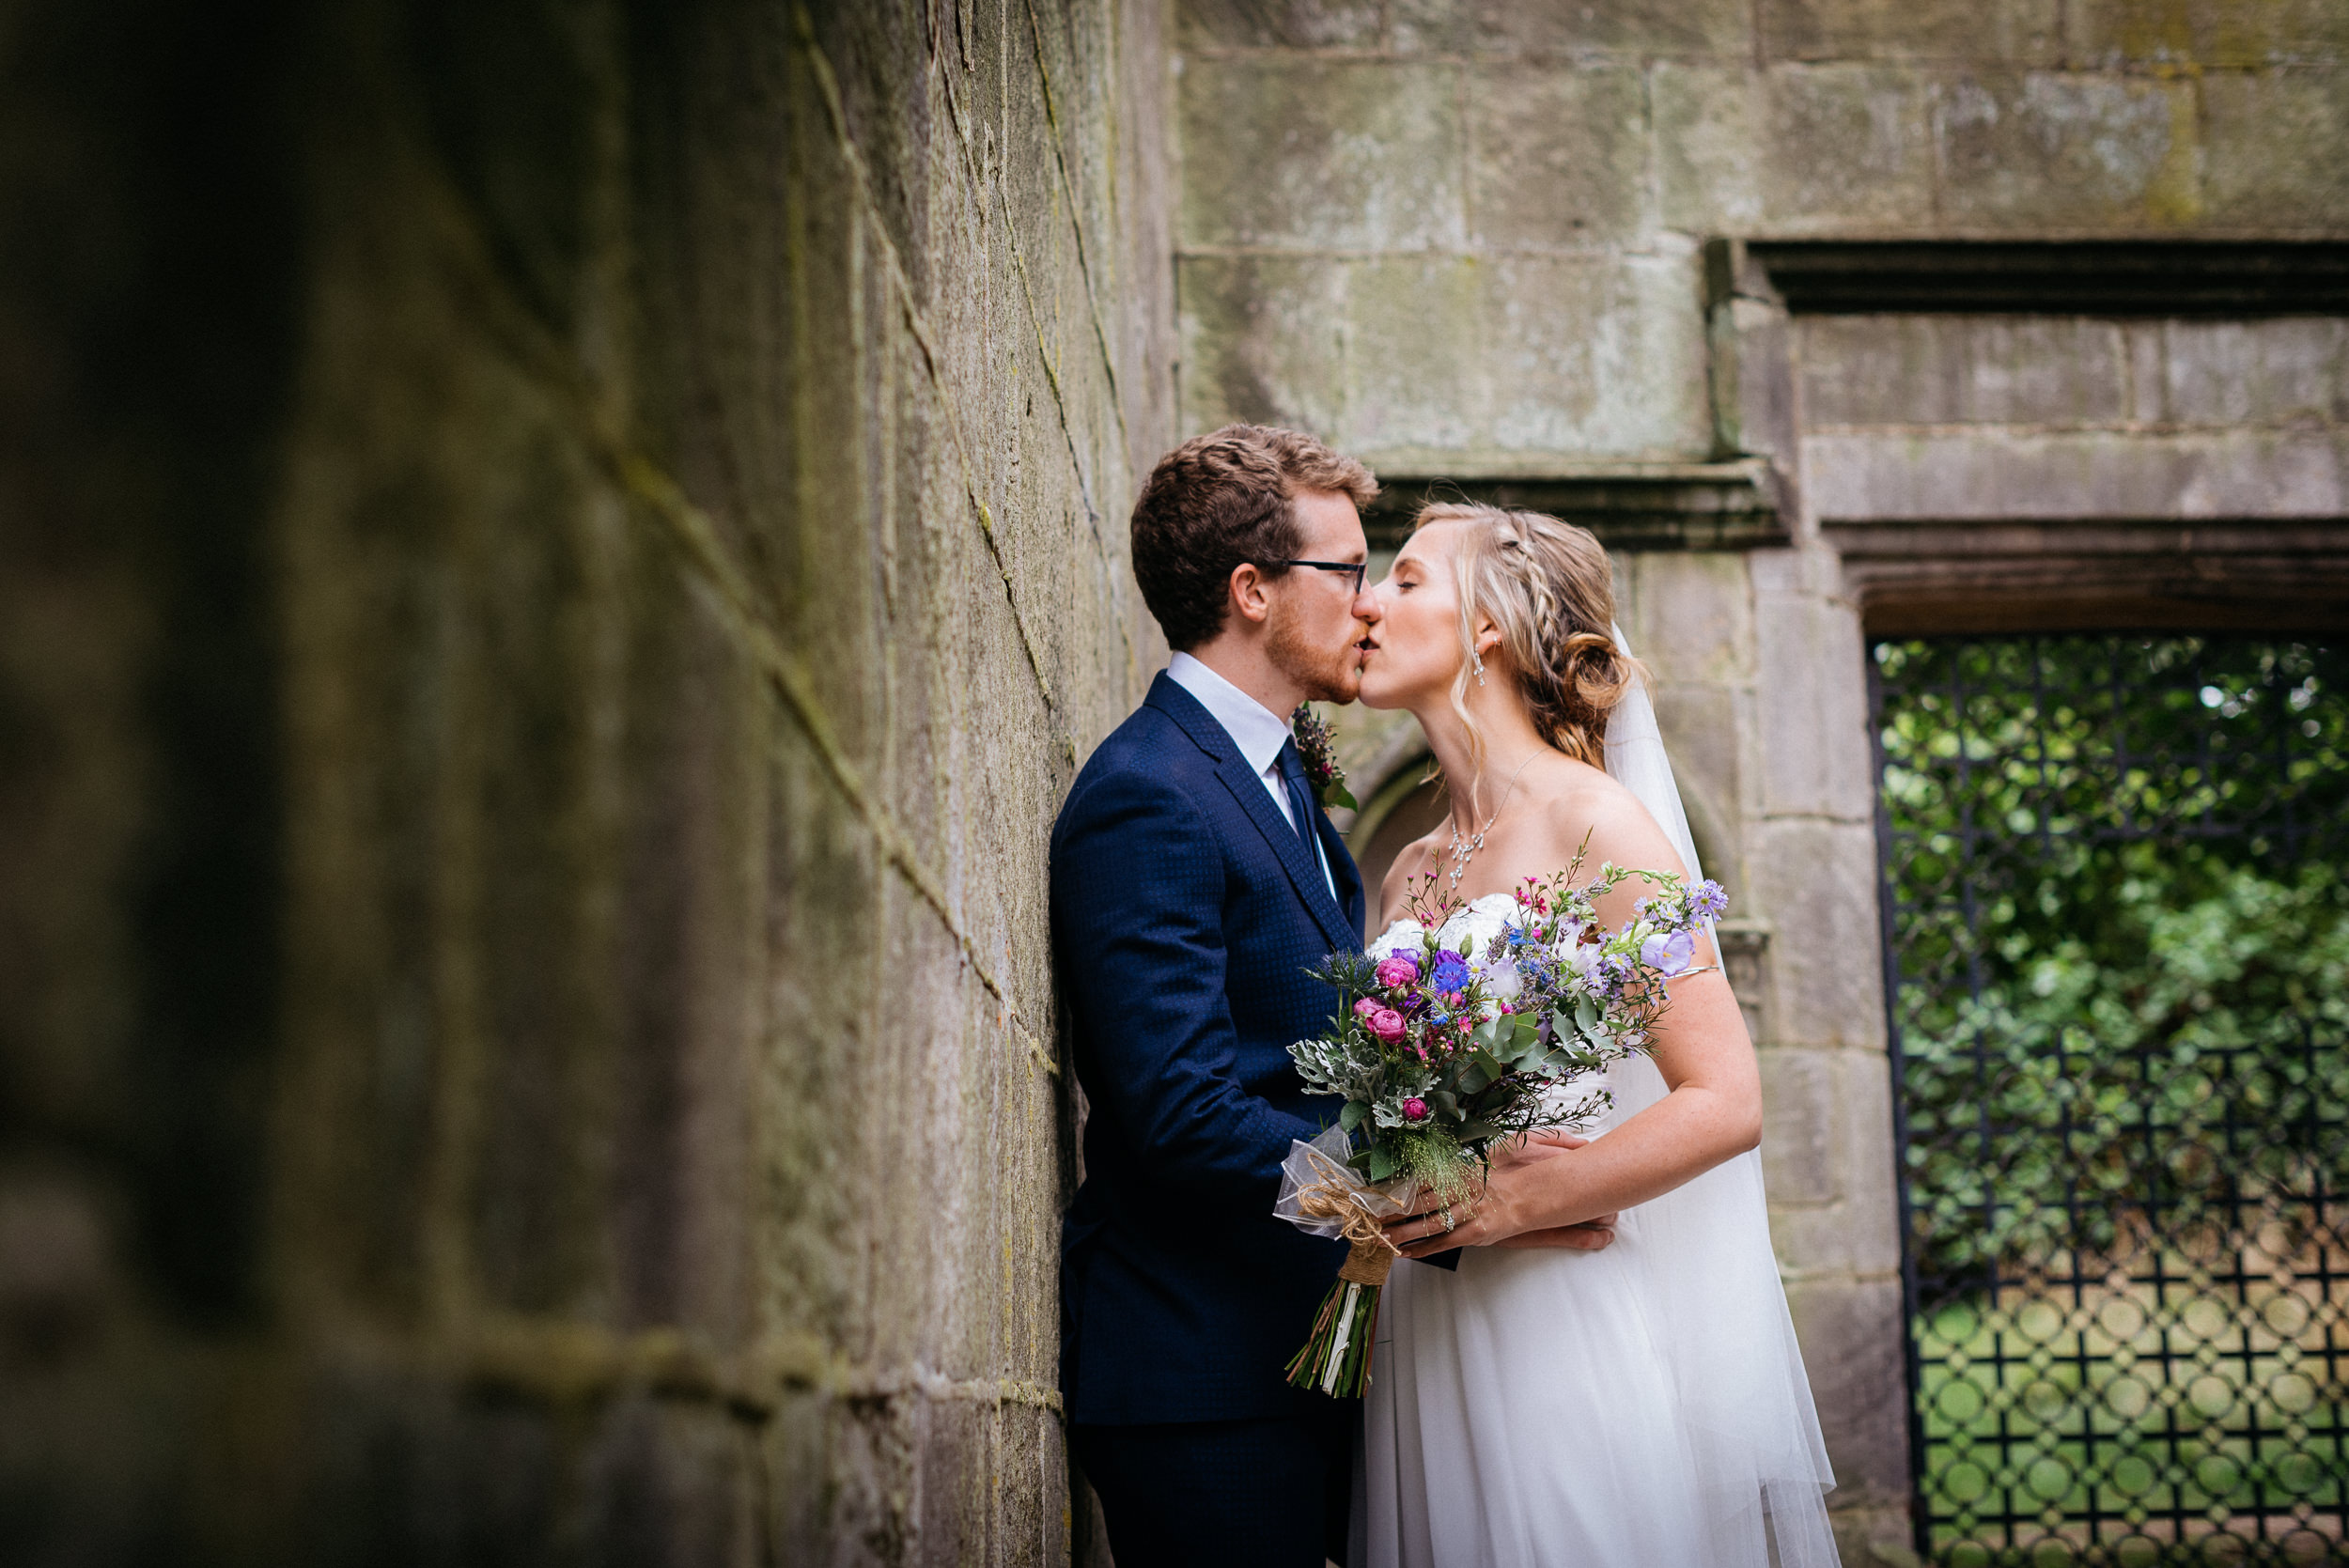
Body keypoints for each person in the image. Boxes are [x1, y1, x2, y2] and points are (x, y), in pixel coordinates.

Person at [1050, 430, 1612, 1568]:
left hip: (1303, 1360)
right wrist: (1461, 1195)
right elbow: (1184, 1115)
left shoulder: (1278, 777)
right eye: (1347, 570)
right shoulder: (1147, 794)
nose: (1366, 602)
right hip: (1201, 1380)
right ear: (1253, 591)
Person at [1349, 503, 1840, 1567]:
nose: (1366, 603)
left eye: (1404, 580)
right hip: (1428, 1328)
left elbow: (1723, 1098)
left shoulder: (1602, 826)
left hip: (1555, 1318)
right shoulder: (1409, 870)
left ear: (1485, 622)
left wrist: (1514, 1199)